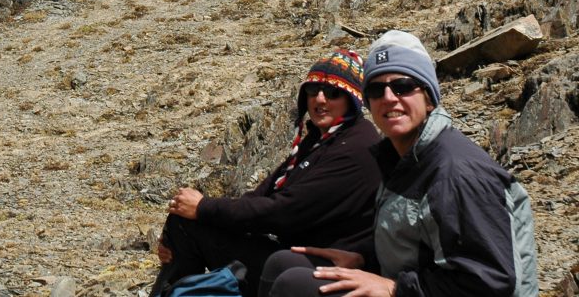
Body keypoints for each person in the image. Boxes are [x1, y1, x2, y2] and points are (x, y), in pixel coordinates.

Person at [261, 30, 539, 297]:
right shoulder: (402, 157)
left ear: (428, 98)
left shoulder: (455, 172)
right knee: (283, 263)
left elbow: (491, 282)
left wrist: (394, 288)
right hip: (416, 284)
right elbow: (416, 241)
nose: (389, 98)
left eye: (403, 86)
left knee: (294, 285)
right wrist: (364, 258)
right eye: (376, 90)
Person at [149, 50, 380, 297]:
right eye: (313, 91)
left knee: (195, 220)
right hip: (291, 253)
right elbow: (262, 195)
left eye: (333, 93)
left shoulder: (355, 148)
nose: (320, 100)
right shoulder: (321, 139)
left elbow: (283, 212)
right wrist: (191, 220)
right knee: (184, 221)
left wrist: (204, 207)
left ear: (352, 99)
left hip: (316, 268)